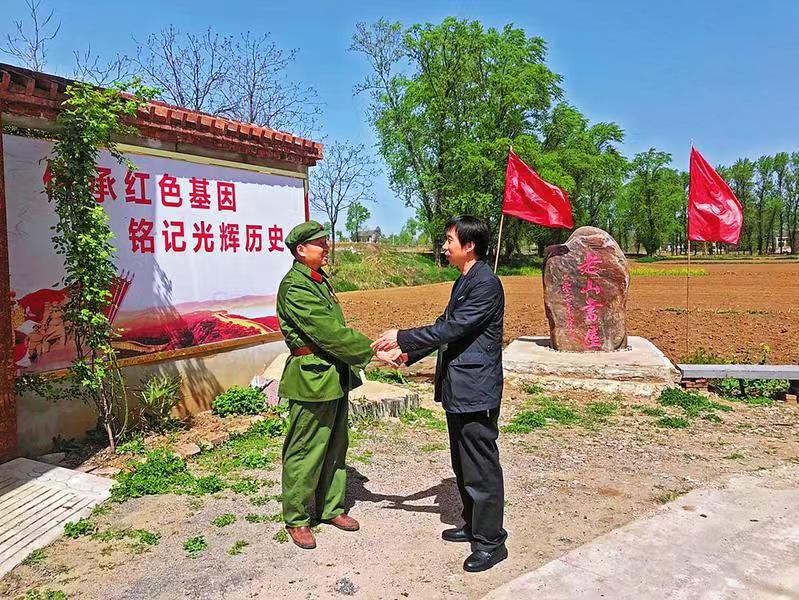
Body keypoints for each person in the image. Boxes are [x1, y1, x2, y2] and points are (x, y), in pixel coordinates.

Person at [372, 215, 508, 572]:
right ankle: (473, 524)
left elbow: (455, 326)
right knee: (462, 463)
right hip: (459, 386)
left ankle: (492, 542)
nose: (445, 246)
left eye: (450, 240)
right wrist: (407, 354)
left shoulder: (486, 283)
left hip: (476, 388)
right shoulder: (464, 281)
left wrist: (401, 336)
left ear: (469, 246)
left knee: (481, 467)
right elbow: (447, 332)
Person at [277, 220, 399, 550]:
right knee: (305, 448)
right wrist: (372, 352)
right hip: (311, 377)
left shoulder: (317, 280)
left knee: (335, 444)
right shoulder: (296, 287)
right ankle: (298, 518)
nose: (327, 248)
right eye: (320, 244)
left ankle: (331, 507)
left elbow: (333, 332)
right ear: (301, 251)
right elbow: (328, 333)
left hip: (332, 373)